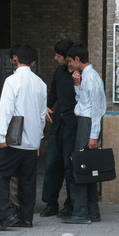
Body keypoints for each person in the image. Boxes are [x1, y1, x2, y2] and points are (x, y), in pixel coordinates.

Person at [0, 44, 47, 231]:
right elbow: (41, 115)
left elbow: (6, 110)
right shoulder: (41, 83)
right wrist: (38, 139)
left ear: (16, 60)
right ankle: (26, 218)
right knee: (27, 180)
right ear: (33, 62)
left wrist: (0, 135)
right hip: (31, 141)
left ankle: (6, 215)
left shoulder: (12, 81)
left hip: (13, 139)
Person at [62, 43, 106, 224]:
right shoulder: (86, 77)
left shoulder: (92, 78)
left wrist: (93, 135)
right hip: (85, 122)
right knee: (87, 168)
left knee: (80, 167)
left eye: (70, 61)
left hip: (87, 124)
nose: (69, 65)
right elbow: (84, 101)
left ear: (77, 59)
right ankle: (92, 212)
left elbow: (95, 108)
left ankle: (81, 212)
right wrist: (77, 85)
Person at [40, 39, 77, 218]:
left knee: (70, 167)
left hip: (73, 125)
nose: (55, 58)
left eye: (58, 56)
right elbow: (53, 92)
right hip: (57, 124)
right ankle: (51, 203)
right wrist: (47, 106)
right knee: (52, 164)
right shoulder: (59, 72)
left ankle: (70, 205)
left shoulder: (81, 75)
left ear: (68, 57)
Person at [0, 45, 21, 213]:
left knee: (17, 171)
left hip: (20, 130)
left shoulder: (33, 79)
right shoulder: (4, 78)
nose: (15, 60)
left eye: (17, 57)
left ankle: (15, 204)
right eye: (13, 57)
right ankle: (12, 204)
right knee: (6, 170)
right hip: (5, 129)